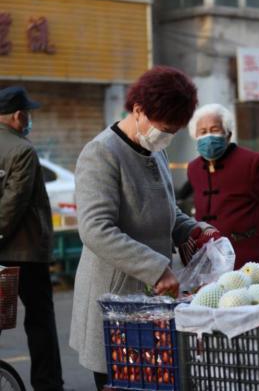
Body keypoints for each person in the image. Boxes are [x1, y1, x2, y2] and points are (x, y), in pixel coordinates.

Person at [69, 67, 218, 391]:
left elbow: (167, 210)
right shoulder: (102, 153)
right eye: (164, 129)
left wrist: (195, 231)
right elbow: (95, 229)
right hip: (115, 303)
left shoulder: (155, 149)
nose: (166, 137)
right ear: (138, 110)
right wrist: (156, 268)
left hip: (152, 300)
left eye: (174, 131)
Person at [0, 86, 65, 391]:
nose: (28, 121)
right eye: (27, 114)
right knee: (40, 322)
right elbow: (13, 203)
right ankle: (47, 385)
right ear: (17, 115)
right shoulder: (22, 150)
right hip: (25, 252)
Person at [187, 104, 259, 269]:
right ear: (195, 136)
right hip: (213, 260)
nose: (209, 136)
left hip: (253, 257)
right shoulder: (194, 168)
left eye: (215, 130)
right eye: (203, 132)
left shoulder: (252, 162)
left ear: (228, 135)